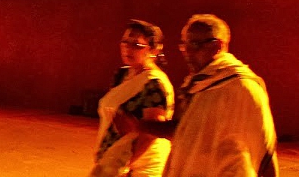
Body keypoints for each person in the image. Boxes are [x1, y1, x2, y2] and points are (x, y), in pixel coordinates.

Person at [117, 14, 278, 176]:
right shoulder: (198, 85)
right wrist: (138, 126)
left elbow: (265, 144)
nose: (187, 52)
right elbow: (182, 130)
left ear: (217, 46)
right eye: (184, 45)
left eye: (194, 44)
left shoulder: (242, 87)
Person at [90, 20, 173, 177]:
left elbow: (151, 134)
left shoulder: (154, 84)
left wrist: (126, 166)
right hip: (113, 160)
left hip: (139, 167)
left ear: (154, 49)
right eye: (125, 42)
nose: (128, 48)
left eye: (136, 45)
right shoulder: (121, 75)